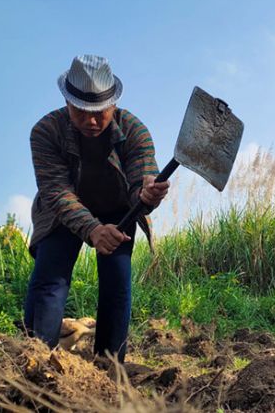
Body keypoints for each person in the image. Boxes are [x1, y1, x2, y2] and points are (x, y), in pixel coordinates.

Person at [24, 54, 169, 362]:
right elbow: (57, 191)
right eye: (81, 111)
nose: (91, 120)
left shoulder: (134, 130)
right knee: (51, 278)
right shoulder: (45, 132)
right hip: (62, 214)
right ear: (67, 102)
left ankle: (109, 364)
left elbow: (141, 175)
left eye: (99, 112)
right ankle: (36, 361)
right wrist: (91, 229)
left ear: (113, 105)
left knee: (117, 278)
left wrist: (146, 193)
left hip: (117, 209)